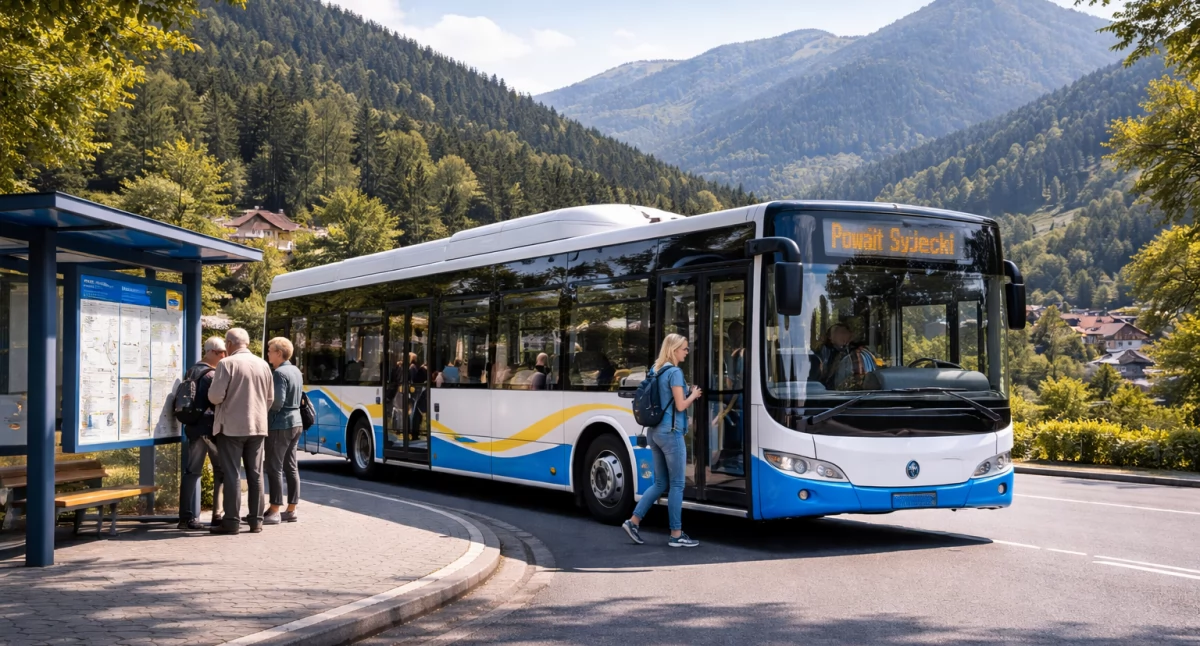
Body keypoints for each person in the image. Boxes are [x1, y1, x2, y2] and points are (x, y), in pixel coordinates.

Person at [622, 333, 702, 548]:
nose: (687, 352)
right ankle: (676, 534)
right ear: (674, 349)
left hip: (654, 433)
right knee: (676, 484)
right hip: (671, 433)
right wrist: (693, 394)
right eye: (684, 348)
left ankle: (633, 521)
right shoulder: (675, 372)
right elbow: (680, 405)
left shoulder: (655, 369)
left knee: (660, 483)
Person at [208, 328, 274, 535]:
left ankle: (232, 521)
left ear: (228, 344)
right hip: (258, 426)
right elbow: (270, 398)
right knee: (255, 475)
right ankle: (256, 521)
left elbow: (215, 396)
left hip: (231, 428)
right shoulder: (263, 364)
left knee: (232, 474)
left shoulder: (226, 364)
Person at [178, 336, 227, 530]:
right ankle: (218, 514)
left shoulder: (192, 370)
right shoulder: (211, 375)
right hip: (209, 429)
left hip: (193, 428)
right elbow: (218, 401)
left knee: (191, 472)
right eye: (222, 352)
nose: (225, 355)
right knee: (221, 472)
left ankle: (185, 517)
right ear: (213, 352)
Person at [265, 337, 303, 524]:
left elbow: (277, 402)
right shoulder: (295, 370)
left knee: (274, 466)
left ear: (279, 353)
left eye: (270, 350)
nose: (268, 353)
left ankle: (274, 509)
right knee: (291, 465)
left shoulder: (279, 373)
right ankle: (291, 509)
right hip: (296, 422)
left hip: (280, 424)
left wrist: (262, 409)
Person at [817, 323, 877, 391]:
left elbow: (859, 383)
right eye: (833, 333)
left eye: (843, 332)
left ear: (851, 336)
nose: (842, 335)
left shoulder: (857, 354)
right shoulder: (825, 352)